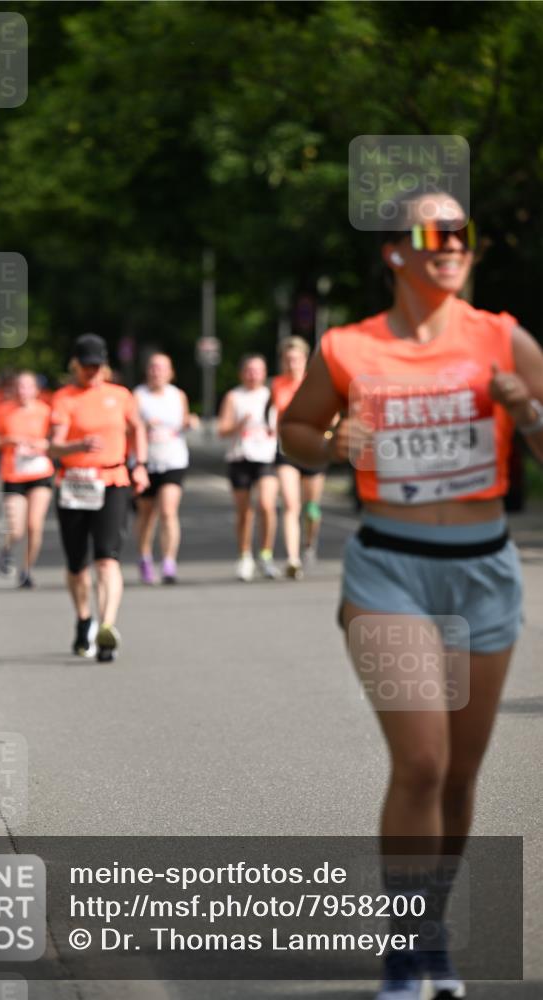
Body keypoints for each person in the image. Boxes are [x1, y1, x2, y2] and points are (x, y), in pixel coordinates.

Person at [280, 190, 543, 1000]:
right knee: (421, 761)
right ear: (395, 251)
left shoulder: (501, 336)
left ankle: (429, 928)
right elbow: (293, 431)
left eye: (462, 232)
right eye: (434, 232)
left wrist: (526, 411)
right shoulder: (347, 347)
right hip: (388, 569)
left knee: (461, 776)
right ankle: (403, 946)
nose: (451, 244)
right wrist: (330, 443)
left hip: (483, 569)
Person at [50, 333, 149, 661]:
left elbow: (138, 430)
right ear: (75, 365)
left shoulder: (120, 396)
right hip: (75, 483)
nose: (92, 372)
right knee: (78, 564)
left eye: (97, 366)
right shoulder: (65, 398)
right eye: (86, 366)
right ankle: (83, 619)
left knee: (107, 558)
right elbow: (53, 444)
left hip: (112, 479)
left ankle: (107, 626)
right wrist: (77, 447)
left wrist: (140, 465)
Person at [133, 353, 198, 584]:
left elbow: (183, 421)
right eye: (153, 367)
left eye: (162, 368)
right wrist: (142, 426)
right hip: (146, 461)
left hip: (173, 459)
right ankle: (145, 557)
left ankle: (169, 562)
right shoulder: (138, 396)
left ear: (170, 372)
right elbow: (128, 428)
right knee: (147, 514)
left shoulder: (177, 395)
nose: (157, 372)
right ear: (147, 371)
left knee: (169, 511)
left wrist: (190, 422)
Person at [0, 371, 54, 588]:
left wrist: (43, 445)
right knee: (16, 529)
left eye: (27, 386)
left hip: (40, 472)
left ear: (36, 390)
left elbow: (56, 441)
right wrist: (9, 440)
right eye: (19, 386)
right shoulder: (3, 411)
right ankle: (6, 548)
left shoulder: (46, 411)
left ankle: (26, 570)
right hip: (13, 473)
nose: (23, 391)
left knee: (35, 525)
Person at [217, 353, 279, 581]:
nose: (253, 374)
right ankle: (245, 556)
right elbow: (221, 430)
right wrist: (238, 425)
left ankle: (266, 554)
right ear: (242, 373)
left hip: (266, 457)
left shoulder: (271, 396)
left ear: (264, 373)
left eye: (258, 370)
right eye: (249, 370)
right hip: (240, 457)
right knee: (245, 512)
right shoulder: (234, 397)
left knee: (266, 504)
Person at [271, 336, 327, 578]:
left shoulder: (315, 384)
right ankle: (292, 559)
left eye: (296, 358)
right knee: (291, 505)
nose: (291, 363)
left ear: (305, 360)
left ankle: (308, 544)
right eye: (287, 358)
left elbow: (331, 414)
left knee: (311, 509)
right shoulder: (276, 385)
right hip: (286, 451)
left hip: (313, 450)